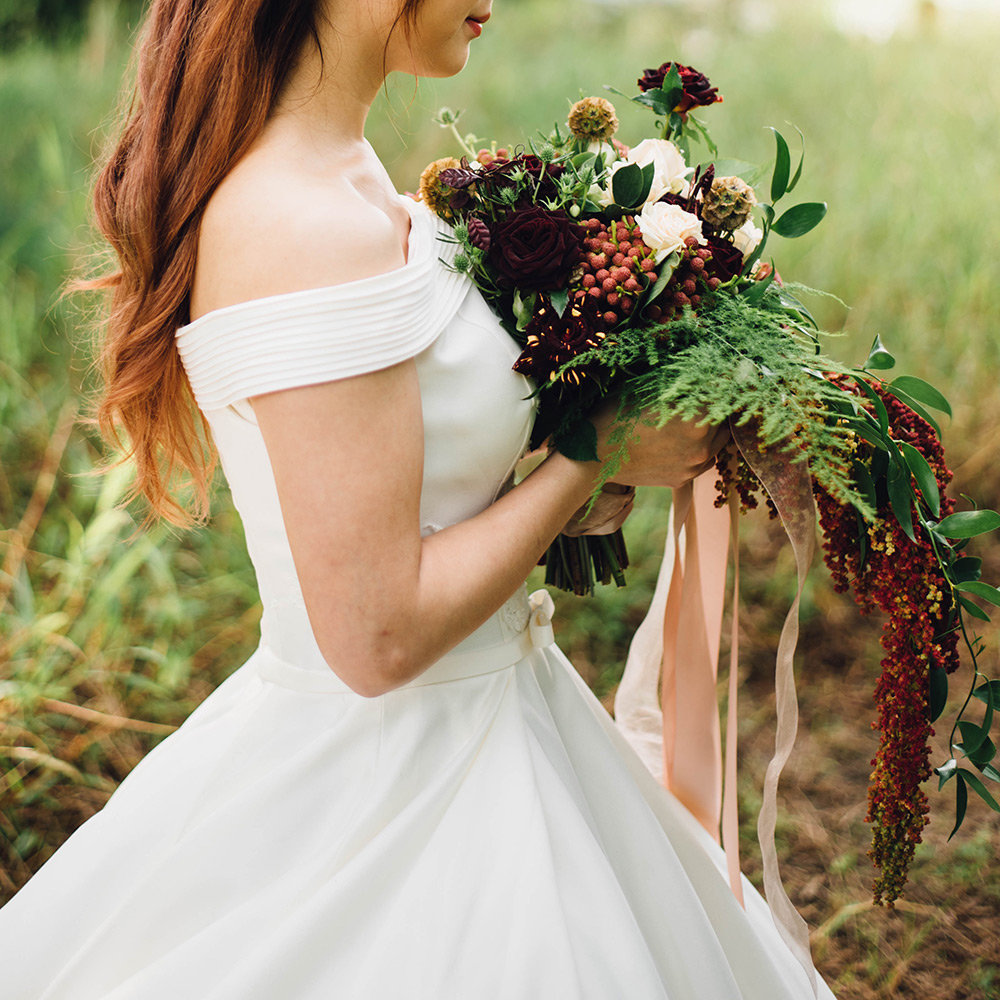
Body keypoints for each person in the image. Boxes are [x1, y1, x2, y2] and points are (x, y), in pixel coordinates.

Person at [0, 1, 838, 996]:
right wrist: (596, 444)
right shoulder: (296, 225)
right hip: (395, 777)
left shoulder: (357, 181)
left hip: (508, 708)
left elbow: (433, 459)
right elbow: (376, 638)